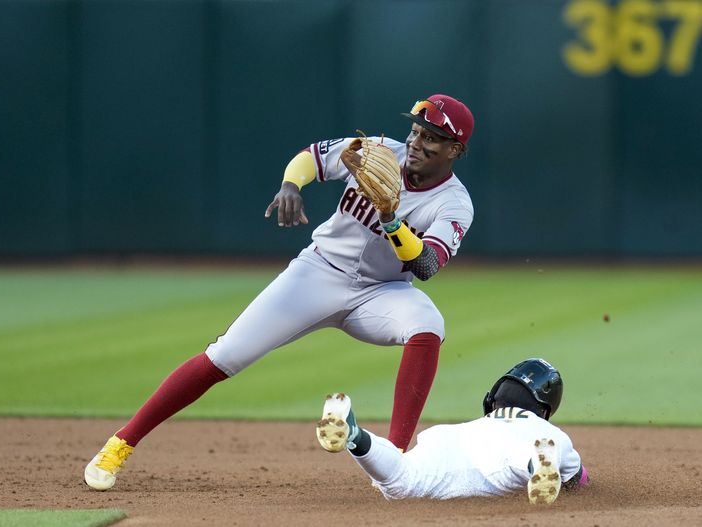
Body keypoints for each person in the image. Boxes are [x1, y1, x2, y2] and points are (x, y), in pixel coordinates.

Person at [84, 94, 476, 490]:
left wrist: (391, 220)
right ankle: (120, 443)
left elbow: (426, 265)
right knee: (224, 356)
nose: (416, 142)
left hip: (382, 293)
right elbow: (312, 157)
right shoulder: (378, 152)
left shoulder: (454, 203)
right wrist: (291, 185)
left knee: (427, 323)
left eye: (431, 138)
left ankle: (393, 459)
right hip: (318, 273)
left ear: (455, 150)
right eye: (415, 131)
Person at [316, 358, 590, 504]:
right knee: (519, 458)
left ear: (495, 397)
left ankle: (355, 435)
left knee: (400, 479)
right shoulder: (545, 431)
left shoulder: (477, 425)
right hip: (510, 456)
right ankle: (535, 463)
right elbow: (577, 481)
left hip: (448, 440)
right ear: (545, 408)